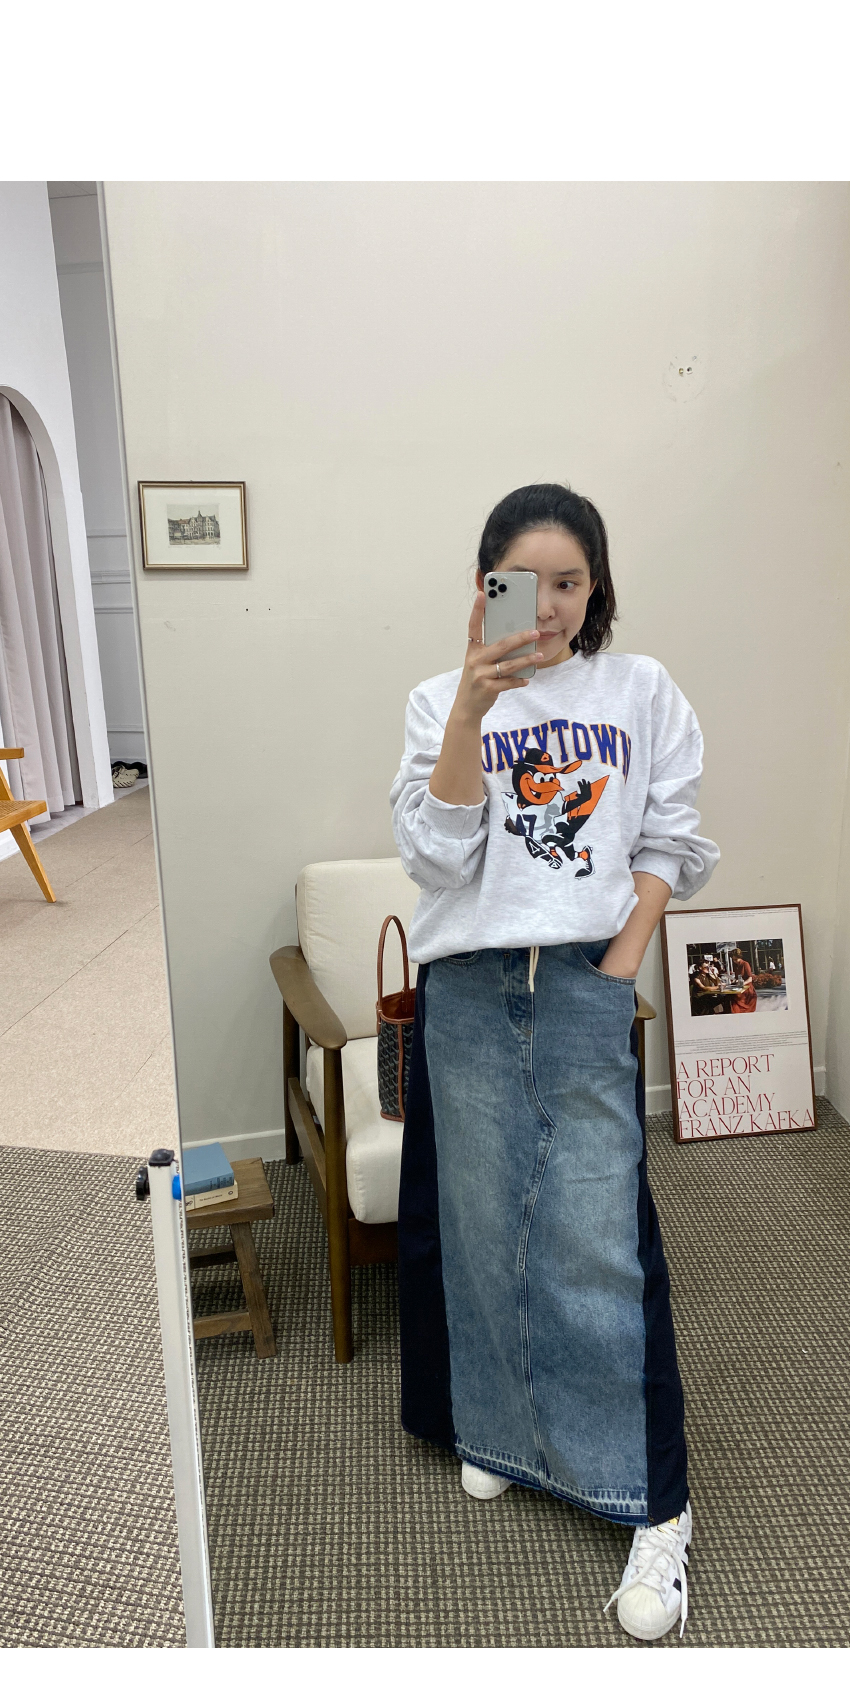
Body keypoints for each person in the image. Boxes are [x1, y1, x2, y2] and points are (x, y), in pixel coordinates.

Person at [390, 483, 719, 1641]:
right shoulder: (440, 699)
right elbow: (435, 861)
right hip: (469, 992)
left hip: (582, 979)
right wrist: (470, 711)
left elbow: (672, 836)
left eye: (569, 582)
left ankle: (656, 1510)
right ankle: (502, 1434)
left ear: (594, 585)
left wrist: (615, 967)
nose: (548, 606)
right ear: (483, 587)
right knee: (482, 1234)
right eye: (524, 584)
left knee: (600, 1249)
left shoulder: (639, 689)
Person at [730, 948, 757, 1013]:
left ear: (739, 957)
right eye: (733, 960)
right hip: (739, 988)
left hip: (747, 988)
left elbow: (750, 978)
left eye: (736, 959)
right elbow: (737, 977)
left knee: (736, 1001)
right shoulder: (736, 965)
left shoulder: (745, 964)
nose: (735, 961)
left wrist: (742, 983)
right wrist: (735, 981)